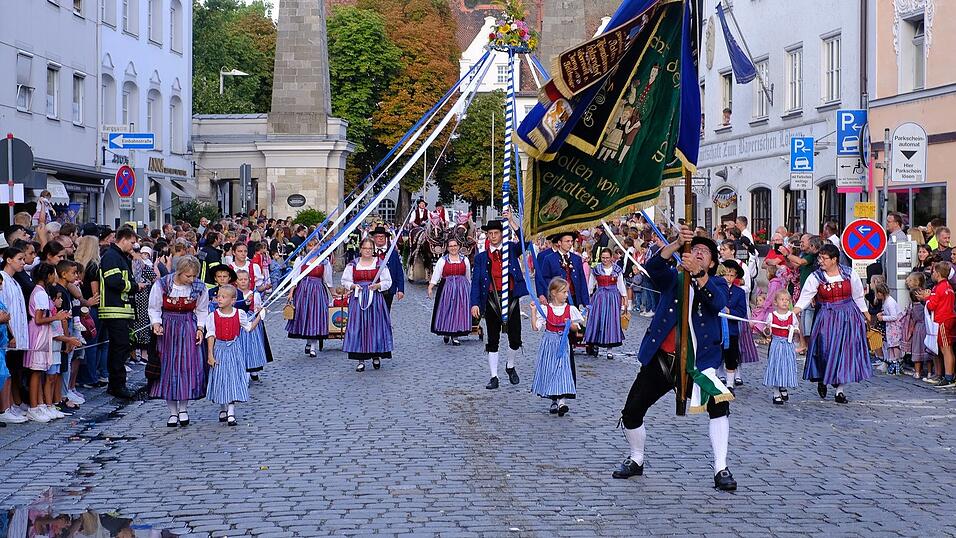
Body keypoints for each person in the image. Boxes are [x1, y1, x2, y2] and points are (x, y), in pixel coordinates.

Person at [613, 228, 737, 492]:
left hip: (698, 363)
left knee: (719, 406)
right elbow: (653, 266)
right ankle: (636, 458)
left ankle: (721, 468)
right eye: (694, 250)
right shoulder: (673, 279)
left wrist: (700, 275)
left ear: (712, 263)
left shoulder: (716, 283)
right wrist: (677, 243)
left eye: (704, 253)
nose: (698, 254)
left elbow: (717, 303)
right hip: (661, 359)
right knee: (632, 411)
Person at [794, 243, 872, 404]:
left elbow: (858, 295)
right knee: (825, 350)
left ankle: (839, 390)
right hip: (826, 317)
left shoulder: (850, 274)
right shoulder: (816, 277)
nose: (820, 261)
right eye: (820, 258)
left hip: (848, 316)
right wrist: (791, 313)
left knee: (845, 352)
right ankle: (823, 377)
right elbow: (805, 298)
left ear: (834, 259)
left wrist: (866, 314)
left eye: (824, 258)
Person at [147, 256, 209, 427]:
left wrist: (200, 328)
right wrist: (156, 323)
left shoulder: (199, 287)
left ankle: (183, 409)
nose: (191, 279)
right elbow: (154, 308)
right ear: (179, 272)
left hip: (188, 326)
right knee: (168, 367)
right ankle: (172, 412)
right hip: (168, 329)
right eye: (188, 276)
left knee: (186, 367)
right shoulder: (162, 285)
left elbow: (202, 310)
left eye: (194, 276)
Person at [470, 218, 529, 390]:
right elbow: (475, 282)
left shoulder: (511, 249)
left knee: (515, 338)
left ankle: (510, 366)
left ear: (502, 235)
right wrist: (474, 303)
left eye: (496, 233)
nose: (493, 236)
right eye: (490, 234)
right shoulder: (482, 257)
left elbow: (526, 241)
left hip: (510, 297)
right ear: (487, 236)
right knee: (493, 338)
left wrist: (511, 221)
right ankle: (494, 376)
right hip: (490, 299)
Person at [205, 284, 263, 426]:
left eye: (223, 297)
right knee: (221, 378)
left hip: (234, 349)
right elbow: (211, 335)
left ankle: (231, 411)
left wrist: (259, 317)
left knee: (233, 378)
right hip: (220, 349)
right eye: (218, 296)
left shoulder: (239, 314)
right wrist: (210, 355)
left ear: (232, 300)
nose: (219, 299)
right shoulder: (213, 316)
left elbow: (248, 328)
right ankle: (223, 408)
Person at [529, 278, 583, 417]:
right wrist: (534, 312)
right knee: (550, 370)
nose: (566, 295)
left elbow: (577, 329)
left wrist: (570, 324)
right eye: (563, 292)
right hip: (549, 343)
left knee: (563, 370)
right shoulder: (546, 310)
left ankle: (562, 402)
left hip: (563, 344)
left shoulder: (570, 309)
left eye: (567, 292)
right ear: (553, 293)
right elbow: (536, 328)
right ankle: (553, 400)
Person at [23, 263, 69, 422]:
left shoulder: (41, 291)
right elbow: (39, 319)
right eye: (53, 274)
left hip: (43, 334)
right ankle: (34, 407)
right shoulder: (40, 293)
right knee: (36, 371)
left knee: (40, 370)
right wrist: (57, 317)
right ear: (48, 276)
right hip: (39, 334)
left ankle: (41, 404)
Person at [342, 238, 393, 372]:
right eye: (365, 248)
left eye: (370, 249)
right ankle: (361, 359)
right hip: (358, 299)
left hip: (375, 299)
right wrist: (352, 285)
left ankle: (376, 355)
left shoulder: (379, 264)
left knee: (375, 325)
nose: (368, 251)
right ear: (361, 249)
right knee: (359, 327)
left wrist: (378, 285)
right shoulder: (352, 265)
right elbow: (345, 281)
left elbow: (388, 281)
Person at [98, 227, 137, 399]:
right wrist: (134, 287)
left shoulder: (120, 257)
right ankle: (117, 385)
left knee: (119, 347)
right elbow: (113, 281)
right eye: (132, 242)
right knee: (119, 347)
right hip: (113, 309)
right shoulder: (112, 257)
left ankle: (115, 384)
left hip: (121, 309)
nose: (134, 246)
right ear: (124, 239)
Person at [284, 239, 333, 356]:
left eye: (316, 246)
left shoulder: (324, 262)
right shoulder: (300, 260)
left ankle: (313, 346)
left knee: (316, 316)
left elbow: (327, 280)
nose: (313, 248)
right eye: (310, 246)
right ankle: (308, 341)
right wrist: (291, 292)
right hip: (303, 291)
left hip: (318, 291)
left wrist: (333, 293)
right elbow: (295, 278)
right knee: (306, 316)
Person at [0, 248, 29, 424]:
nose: (23, 262)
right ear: (8, 260)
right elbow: (4, 310)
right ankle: (6, 407)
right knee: (7, 372)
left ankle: (11, 405)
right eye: (19, 259)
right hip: (7, 334)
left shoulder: (14, 281)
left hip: (15, 332)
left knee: (13, 371)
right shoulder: (2, 279)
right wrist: (11, 333)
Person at [427, 238, 472, 346]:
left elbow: (468, 275)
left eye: (455, 245)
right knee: (446, 310)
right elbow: (437, 274)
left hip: (461, 289)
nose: (453, 248)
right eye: (450, 246)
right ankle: (446, 331)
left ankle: (455, 335)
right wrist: (430, 287)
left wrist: (469, 288)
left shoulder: (465, 259)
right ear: (447, 248)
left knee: (459, 311)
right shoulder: (443, 260)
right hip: (447, 288)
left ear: (458, 246)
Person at [918, 261, 956, 386]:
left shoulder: (939, 287)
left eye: (933, 271)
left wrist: (926, 298)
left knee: (946, 349)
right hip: (948, 319)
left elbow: (932, 305)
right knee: (947, 348)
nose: (932, 274)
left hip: (942, 320)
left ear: (938, 273)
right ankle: (949, 375)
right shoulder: (948, 286)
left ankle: (949, 377)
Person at [761, 290, 803, 405]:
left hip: (788, 344)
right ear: (776, 302)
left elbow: (797, 330)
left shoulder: (792, 316)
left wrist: (793, 330)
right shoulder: (772, 316)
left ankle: (783, 387)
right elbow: (767, 333)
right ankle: (775, 393)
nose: (785, 302)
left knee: (786, 366)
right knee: (776, 366)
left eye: (787, 300)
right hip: (776, 344)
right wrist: (768, 329)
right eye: (782, 299)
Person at [584, 250, 626, 360]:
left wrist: (624, 298)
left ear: (611, 257)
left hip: (613, 297)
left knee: (611, 322)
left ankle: (609, 350)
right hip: (600, 296)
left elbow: (621, 285)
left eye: (607, 258)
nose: (605, 260)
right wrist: (587, 298)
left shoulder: (617, 270)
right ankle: (596, 344)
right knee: (598, 319)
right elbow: (591, 284)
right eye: (603, 258)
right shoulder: (596, 269)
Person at [236, 270, 271, 381]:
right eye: (240, 279)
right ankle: (243, 369)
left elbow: (258, 308)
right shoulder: (234, 294)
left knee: (251, 347)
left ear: (249, 280)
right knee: (241, 347)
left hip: (251, 322)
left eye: (245, 279)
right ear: (236, 281)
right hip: (238, 323)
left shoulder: (254, 294)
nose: (243, 282)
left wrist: (259, 312)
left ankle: (252, 369)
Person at [371, 226, 405, 311]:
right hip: (371, 289)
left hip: (389, 289)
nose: (380, 239)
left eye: (382, 237)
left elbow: (399, 271)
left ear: (386, 238)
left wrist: (400, 289)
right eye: (378, 237)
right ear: (374, 238)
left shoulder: (393, 252)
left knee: (386, 312)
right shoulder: (369, 252)